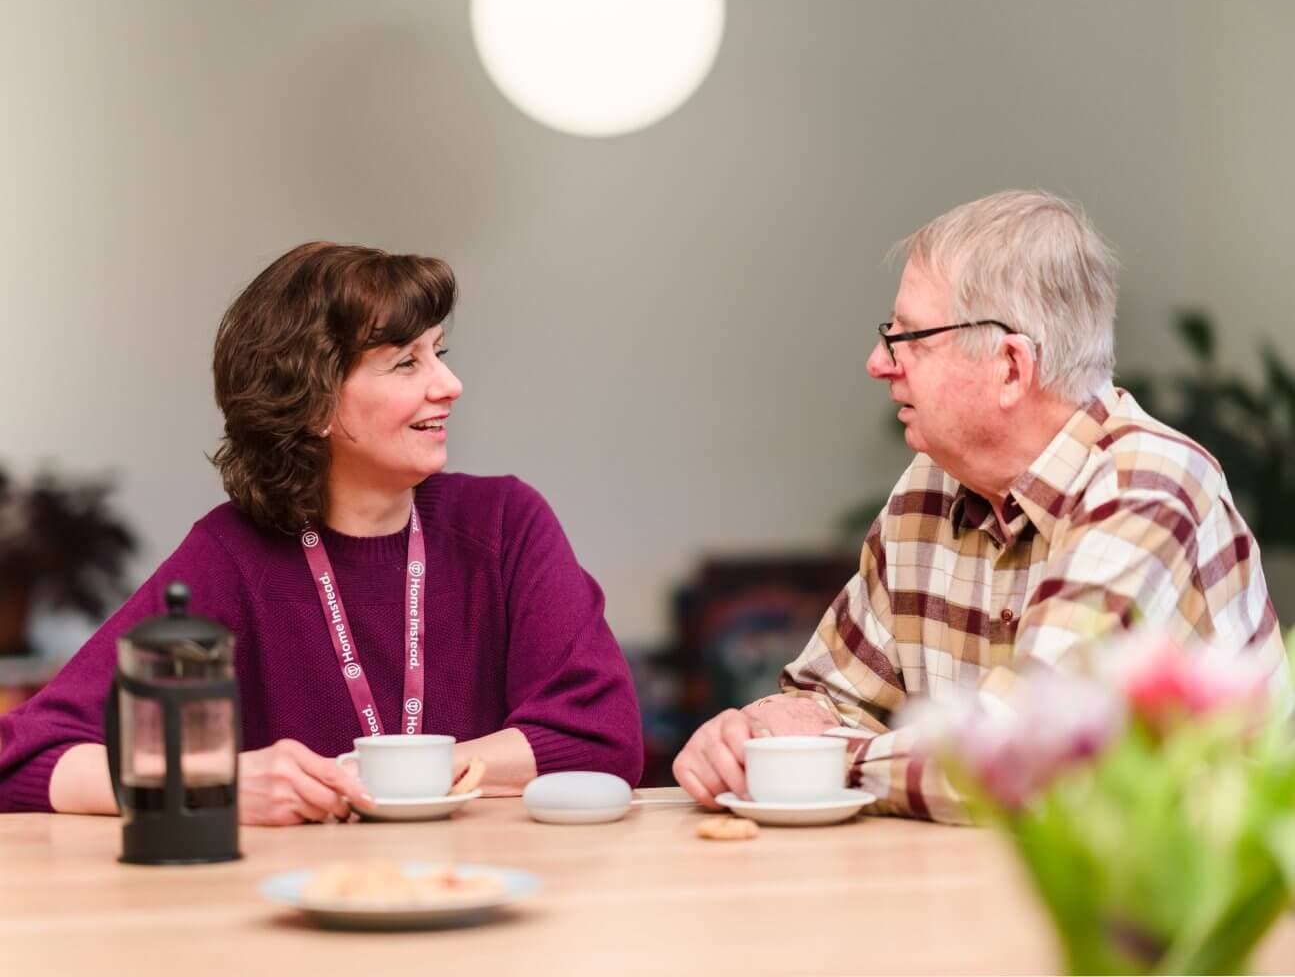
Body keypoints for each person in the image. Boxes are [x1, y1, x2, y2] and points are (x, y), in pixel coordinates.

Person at [673, 189, 1287, 823]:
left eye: (909, 337)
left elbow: (1024, 756)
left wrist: (813, 761)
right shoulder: (928, 488)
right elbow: (830, 696)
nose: (878, 362)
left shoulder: (1148, 485)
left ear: (1012, 368)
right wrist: (753, 734)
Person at [0, 242, 643, 824]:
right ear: (312, 403)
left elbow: (602, 735)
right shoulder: (230, 555)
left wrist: (401, 776)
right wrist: (205, 782)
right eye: (404, 363)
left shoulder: (504, 521)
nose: (449, 385)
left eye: (438, 354)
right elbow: (23, 757)